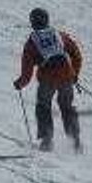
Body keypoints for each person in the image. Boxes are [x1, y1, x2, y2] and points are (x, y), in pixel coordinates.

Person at [13, 8, 83, 152]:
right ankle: (75, 141)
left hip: (47, 79)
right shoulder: (60, 35)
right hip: (66, 76)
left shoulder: (32, 42)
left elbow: (27, 70)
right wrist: (74, 73)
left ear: (32, 22)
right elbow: (77, 55)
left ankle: (47, 141)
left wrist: (20, 83)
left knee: (43, 106)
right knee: (67, 107)